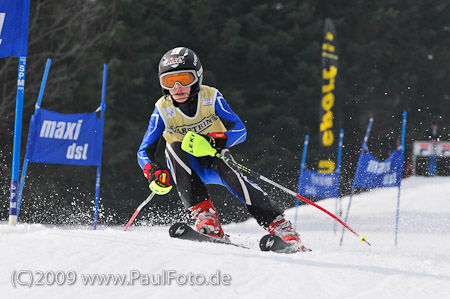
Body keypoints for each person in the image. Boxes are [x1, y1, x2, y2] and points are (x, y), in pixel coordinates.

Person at [137, 47, 307, 251]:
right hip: (186, 166)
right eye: (170, 81)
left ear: (197, 77)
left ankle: (280, 226)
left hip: (213, 158)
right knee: (173, 148)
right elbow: (144, 151)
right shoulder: (162, 109)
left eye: (184, 78)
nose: (178, 87)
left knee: (235, 177)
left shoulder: (211, 97)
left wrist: (214, 141)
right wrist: (153, 172)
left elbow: (240, 130)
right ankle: (206, 218)